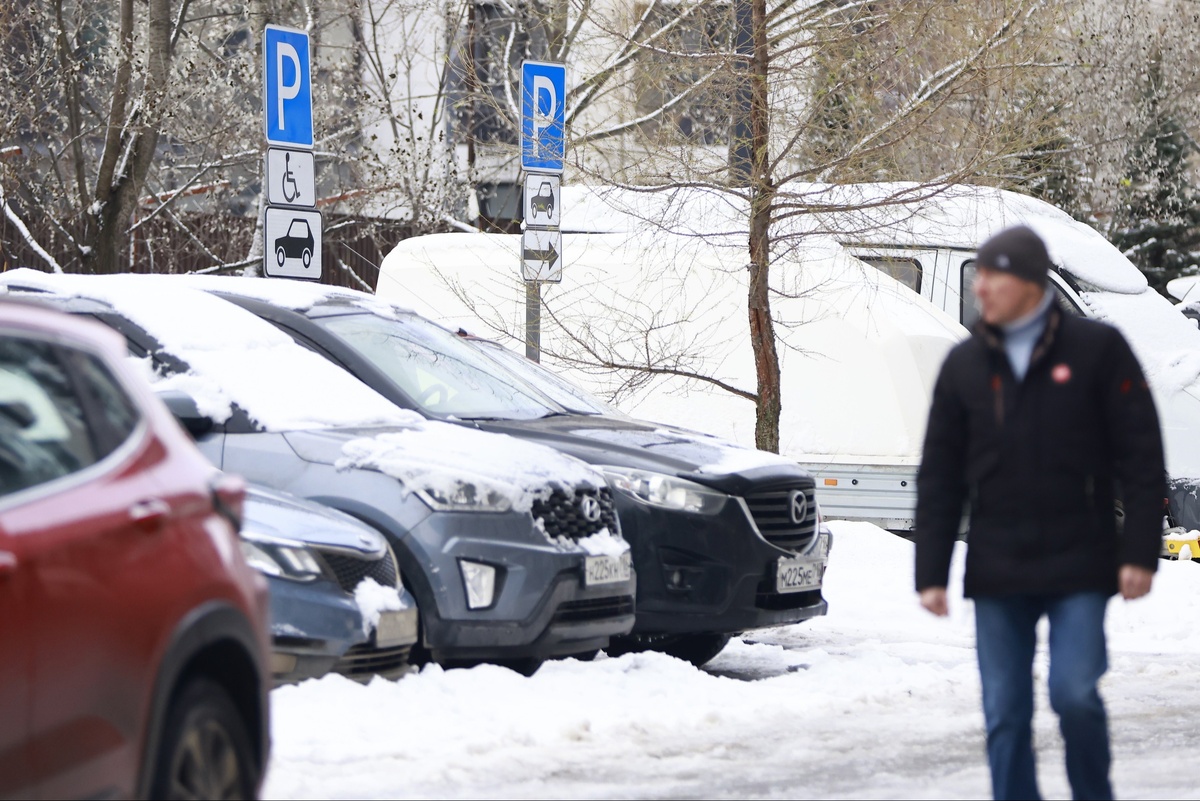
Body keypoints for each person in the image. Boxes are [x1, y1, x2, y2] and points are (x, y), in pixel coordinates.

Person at [915, 225, 1165, 801]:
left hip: (1080, 560)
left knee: (1074, 694)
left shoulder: (1099, 351)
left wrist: (1139, 552)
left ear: (1029, 283)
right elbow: (940, 473)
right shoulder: (965, 364)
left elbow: (1141, 453)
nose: (981, 291)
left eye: (993, 278)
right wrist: (930, 571)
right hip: (999, 565)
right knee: (1004, 712)